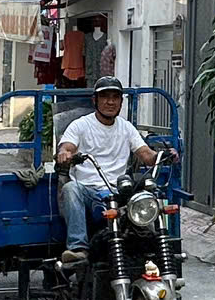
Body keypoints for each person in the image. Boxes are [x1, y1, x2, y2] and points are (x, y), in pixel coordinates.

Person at [54, 76, 162, 263]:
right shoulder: (81, 125)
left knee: (149, 195)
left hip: (119, 191)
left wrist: (162, 155)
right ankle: (78, 248)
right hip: (89, 192)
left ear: (121, 102)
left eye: (115, 97)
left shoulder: (126, 128)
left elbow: (145, 154)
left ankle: (156, 245)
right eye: (105, 97)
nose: (110, 102)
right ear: (95, 100)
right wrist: (64, 153)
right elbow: (67, 146)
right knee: (71, 188)